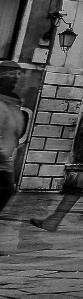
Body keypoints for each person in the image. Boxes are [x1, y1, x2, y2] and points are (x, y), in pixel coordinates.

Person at [0, 81, 26, 220]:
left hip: (5, 161)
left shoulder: (13, 109)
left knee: (7, 190)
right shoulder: (3, 108)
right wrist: (3, 155)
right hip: (2, 161)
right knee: (7, 190)